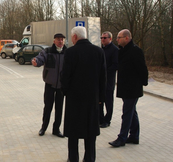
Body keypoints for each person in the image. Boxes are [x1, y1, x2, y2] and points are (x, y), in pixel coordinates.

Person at [60, 26, 106, 162]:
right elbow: (103, 77)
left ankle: (73, 158)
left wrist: (65, 92)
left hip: (75, 99)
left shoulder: (70, 52)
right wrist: (100, 98)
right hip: (93, 99)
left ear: (74, 37)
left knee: (73, 132)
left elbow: (65, 76)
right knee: (90, 131)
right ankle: (90, 158)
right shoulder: (99, 51)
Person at [109, 29, 148, 147]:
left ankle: (122, 138)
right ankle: (134, 136)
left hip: (133, 88)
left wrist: (143, 83)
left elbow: (142, 69)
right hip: (125, 88)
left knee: (126, 113)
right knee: (132, 112)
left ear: (127, 38)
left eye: (119, 37)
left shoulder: (136, 51)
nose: (117, 40)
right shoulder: (122, 51)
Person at [32, 33, 67, 138]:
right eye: (58, 39)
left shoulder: (67, 52)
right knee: (48, 107)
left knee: (59, 108)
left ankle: (56, 129)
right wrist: (36, 62)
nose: (60, 41)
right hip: (50, 85)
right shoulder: (47, 51)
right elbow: (40, 59)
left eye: (62, 40)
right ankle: (43, 128)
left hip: (61, 86)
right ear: (54, 41)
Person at [99, 31, 119, 128]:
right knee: (100, 100)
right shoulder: (101, 49)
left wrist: (105, 72)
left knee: (108, 101)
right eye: (101, 38)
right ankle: (100, 119)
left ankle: (107, 120)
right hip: (100, 80)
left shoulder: (115, 50)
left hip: (109, 80)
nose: (102, 39)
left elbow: (115, 65)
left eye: (105, 38)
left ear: (110, 39)